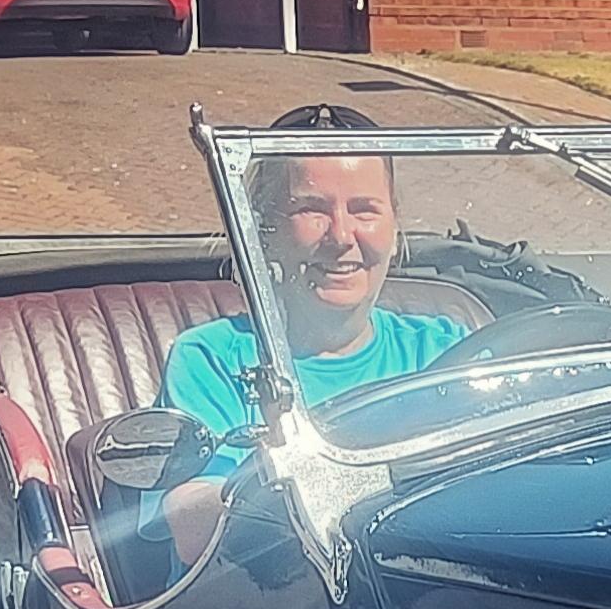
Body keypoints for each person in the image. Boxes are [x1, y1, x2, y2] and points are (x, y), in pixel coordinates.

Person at [158, 106, 466, 562]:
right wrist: (289, 475)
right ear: (264, 232)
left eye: (364, 210)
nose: (342, 236)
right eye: (312, 210)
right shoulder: (213, 358)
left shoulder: (441, 351)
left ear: (395, 226)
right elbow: (189, 526)